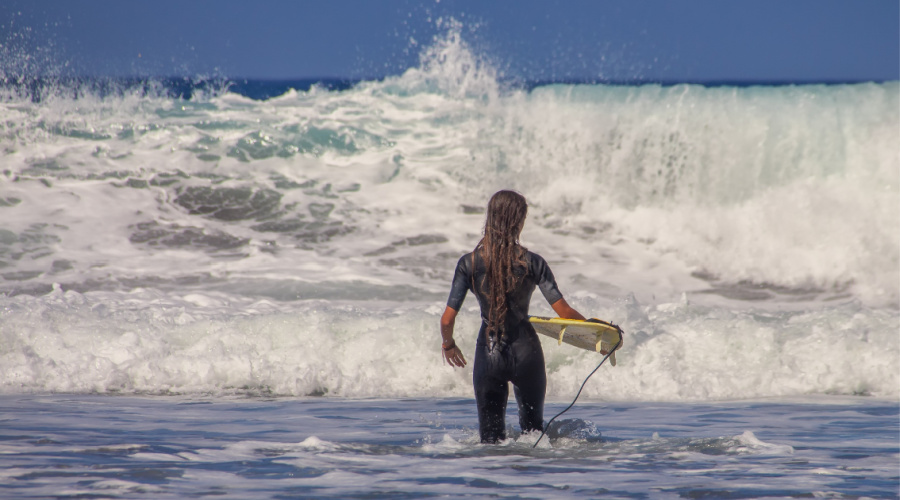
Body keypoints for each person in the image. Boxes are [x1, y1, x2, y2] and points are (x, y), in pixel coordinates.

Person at [439, 190, 590, 443]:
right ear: (518, 222)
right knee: (534, 436)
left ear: (490, 218)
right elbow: (564, 313)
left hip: (489, 353)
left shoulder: (469, 263)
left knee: (490, 441)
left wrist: (448, 344)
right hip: (527, 353)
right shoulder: (532, 262)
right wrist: (595, 330)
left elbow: (446, 319)